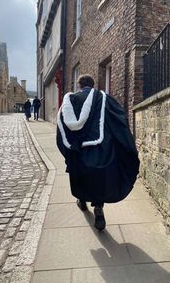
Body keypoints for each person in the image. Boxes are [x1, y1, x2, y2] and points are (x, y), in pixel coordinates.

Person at [57, 74, 140, 231]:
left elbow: (61, 129)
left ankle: (82, 200)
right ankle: (98, 208)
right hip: (100, 149)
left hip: (77, 150)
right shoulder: (103, 98)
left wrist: (68, 153)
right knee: (99, 178)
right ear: (93, 84)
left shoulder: (70, 101)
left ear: (79, 85)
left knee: (80, 175)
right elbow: (119, 120)